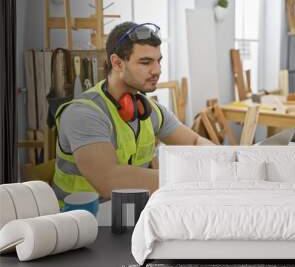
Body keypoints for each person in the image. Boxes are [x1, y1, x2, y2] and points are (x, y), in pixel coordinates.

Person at [52, 22, 213, 203]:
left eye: (158, 61)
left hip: (126, 216)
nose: (157, 70)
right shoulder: (84, 113)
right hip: (81, 222)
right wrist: (193, 176)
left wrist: (220, 163)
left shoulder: (151, 111)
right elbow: (109, 180)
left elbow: (195, 141)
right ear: (117, 63)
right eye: (146, 62)